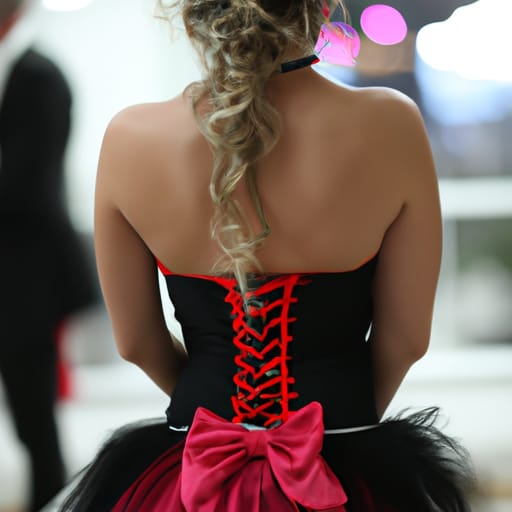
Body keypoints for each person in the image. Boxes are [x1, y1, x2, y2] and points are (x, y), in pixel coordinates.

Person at [60, 1, 473, 510]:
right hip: (347, 465)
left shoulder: (130, 137)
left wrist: (210, 406)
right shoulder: (391, 123)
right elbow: (407, 339)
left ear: (193, 15)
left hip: (193, 470)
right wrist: (342, 422)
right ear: (319, 9)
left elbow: (136, 343)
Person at [0, 1, 97, 510]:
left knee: (35, 421)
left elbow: (29, 184)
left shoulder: (39, 76)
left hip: (27, 280)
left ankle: (51, 502)